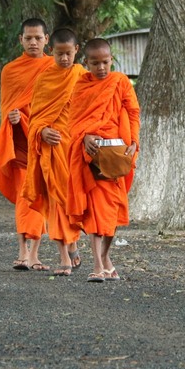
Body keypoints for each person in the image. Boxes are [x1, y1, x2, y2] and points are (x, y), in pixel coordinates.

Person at [67, 38, 140, 282]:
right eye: (95, 63)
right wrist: (84, 136)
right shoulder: (81, 86)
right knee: (96, 213)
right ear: (85, 63)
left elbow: (133, 113)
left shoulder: (120, 82)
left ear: (112, 61)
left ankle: (106, 258)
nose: (100, 68)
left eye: (105, 62)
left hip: (117, 156)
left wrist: (134, 143)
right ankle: (97, 265)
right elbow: (74, 121)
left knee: (112, 215)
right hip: (92, 158)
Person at [0, 18, 56, 271]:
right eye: (28, 38)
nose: (33, 42)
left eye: (38, 38)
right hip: (19, 141)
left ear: (47, 39)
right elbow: (7, 106)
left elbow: (59, 105)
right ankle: (22, 251)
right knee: (24, 197)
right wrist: (13, 116)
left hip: (44, 140)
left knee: (40, 196)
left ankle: (35, 254)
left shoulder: (54, 68)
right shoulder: (10, 70)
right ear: (21, 40)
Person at [22, 28, 86, 277]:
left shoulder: (82, 76)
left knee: (72, 201)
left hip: (75, 148)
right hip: (52, 148)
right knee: (56, 202)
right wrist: (42, 132)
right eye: (59, 54)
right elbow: (35, 118)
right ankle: (64, 259)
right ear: (52, 52)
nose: (64, 59)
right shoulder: (44, 79)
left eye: (68, 54)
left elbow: (90, 113)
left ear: (76, 51)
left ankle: (73, 244)